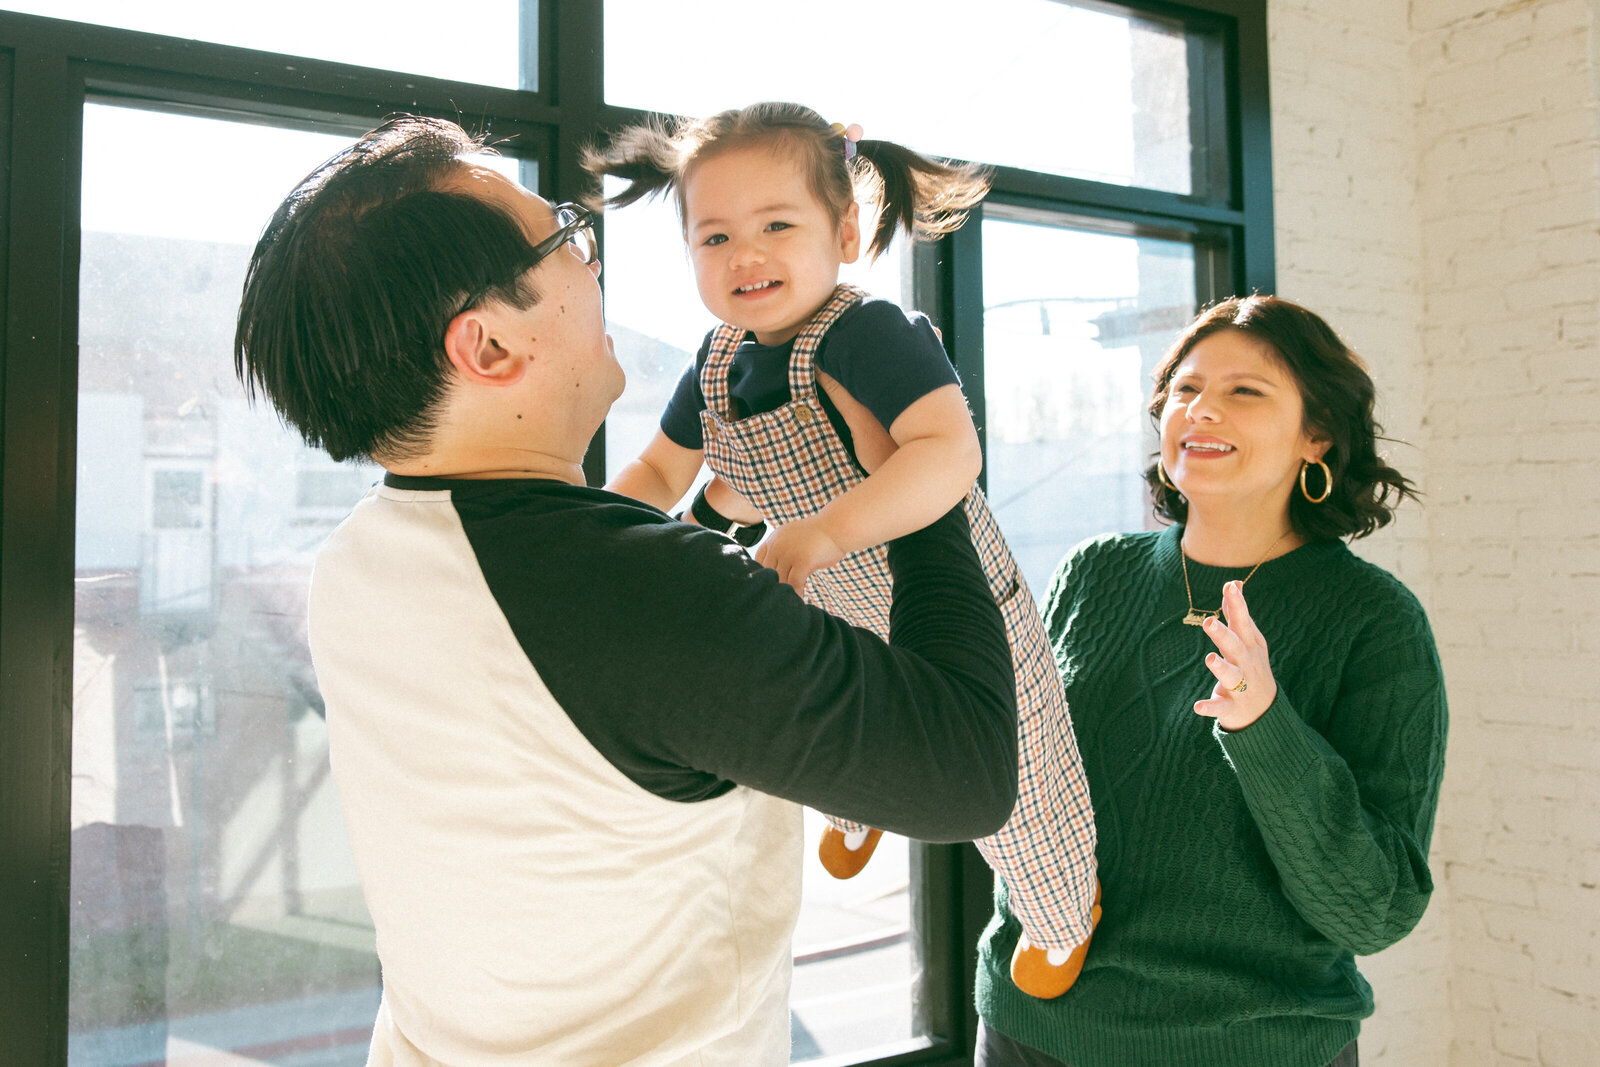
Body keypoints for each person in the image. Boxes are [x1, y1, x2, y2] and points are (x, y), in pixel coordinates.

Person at [232, 114, 1023, 1067]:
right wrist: (914, 479)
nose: (594, 263)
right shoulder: (649, 594)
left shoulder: (357, 562)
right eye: (565, 238)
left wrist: (719, 512)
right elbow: (969, 769)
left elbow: (587, 689)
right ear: (487, 346)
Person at [583, 101, 1099, 998]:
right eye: (714, 237)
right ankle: (858, 811)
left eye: (777, 226)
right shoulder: (717, 359)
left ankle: (1063, 907)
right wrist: (592, 534)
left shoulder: (870, 333)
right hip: (831, 599)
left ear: (847, 232)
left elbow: (950, 453)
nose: (745, 255)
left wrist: (823, 531)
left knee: (1020, 772)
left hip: (959, 600)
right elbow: (661, 468)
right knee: (831, 727)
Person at [973, 295, 1449, 1067]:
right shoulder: (1095, 573)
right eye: (1186, 389)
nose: (1200, 409)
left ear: (1318, 434)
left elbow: (1376, 910)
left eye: (1244, 390)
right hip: (1031, 1029)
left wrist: (1265, 727)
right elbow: (1022, 780)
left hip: (1252, 1048)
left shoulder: (1375, 621)